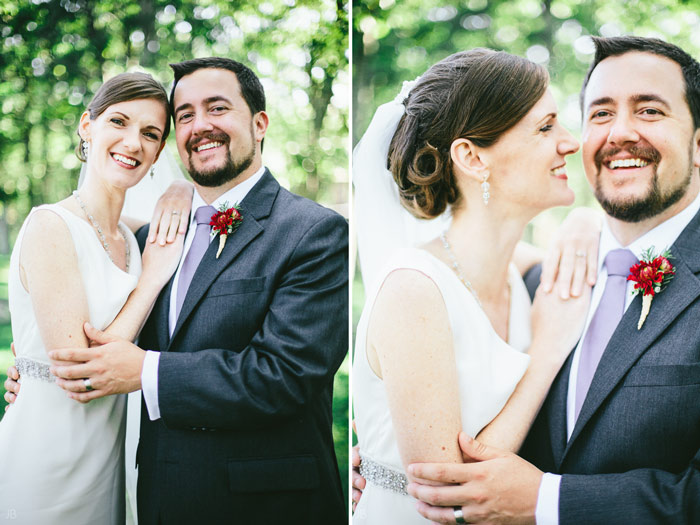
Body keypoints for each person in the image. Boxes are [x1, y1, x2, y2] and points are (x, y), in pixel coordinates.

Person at [22, 57, 349, 524]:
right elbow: (82, 332)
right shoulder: (145, 243)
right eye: (186, 115)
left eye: (217, 108)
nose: (201, 126)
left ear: (259, 124)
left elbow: (286, 375)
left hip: (266, 505)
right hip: (152, 495)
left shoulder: (313, 232)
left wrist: (147, 373)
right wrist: (32, 371)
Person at [397, 36, 700, 525]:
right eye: (600, 114)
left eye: (649, 111)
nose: (619, 132)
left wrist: (547, 501)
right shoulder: (539, 282)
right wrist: (382, 454)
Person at [351, 49, 598, 524]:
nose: (570, 142)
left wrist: (586, 221)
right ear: (471, 156)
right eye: (546, 127)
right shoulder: (413, 289)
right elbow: (449, 498)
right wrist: (546, 353)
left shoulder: (517, 271)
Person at [0, 72, 189, 524]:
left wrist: (184, 189)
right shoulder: (51, 226)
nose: (133, 142)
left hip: (109, 460)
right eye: (118, 122)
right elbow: (81, 374)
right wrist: (153, 279)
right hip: (47, 458)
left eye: (150, 133)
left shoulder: (134, 235)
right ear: (88, 126)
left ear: (160, 151)